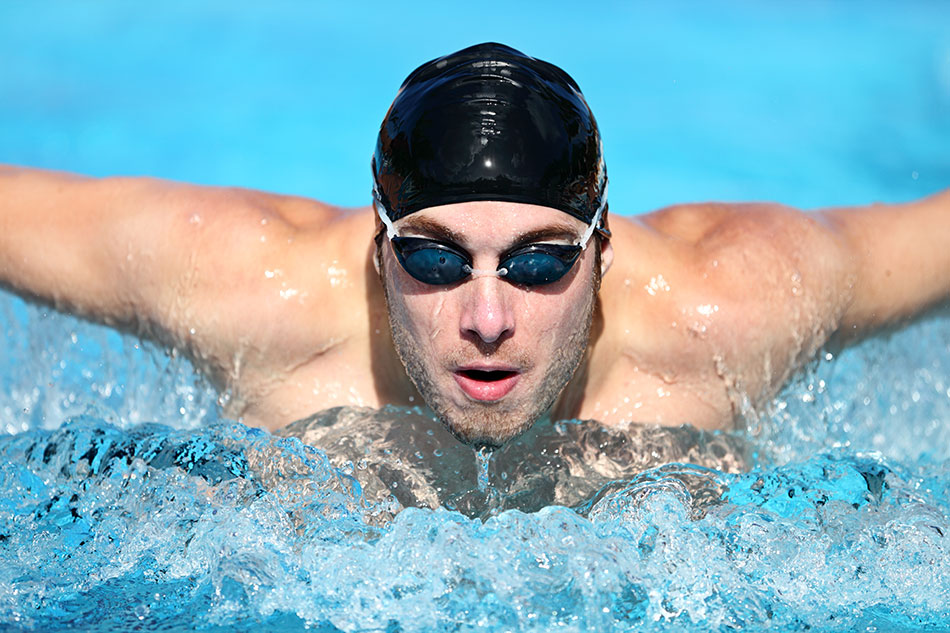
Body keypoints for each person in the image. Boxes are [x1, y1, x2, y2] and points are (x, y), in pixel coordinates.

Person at [1, 43, 948, 449]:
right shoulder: (248, 288)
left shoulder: (733, 306)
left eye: (539, 262)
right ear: (377, 251)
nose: (486, 318)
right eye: (435, 257)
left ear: (603, 250)